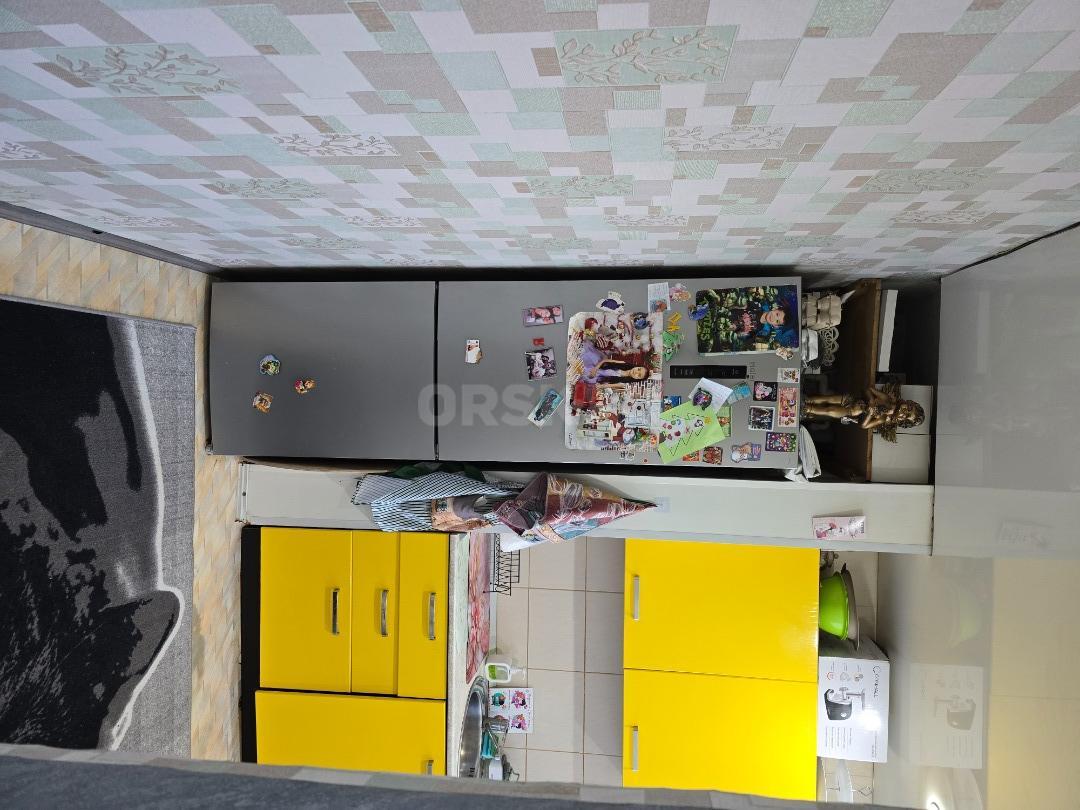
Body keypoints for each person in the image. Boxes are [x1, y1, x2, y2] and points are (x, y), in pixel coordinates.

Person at [804, 384, 925, 441]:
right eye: (909, 408)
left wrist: (870, 414)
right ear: (908, 402)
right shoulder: (887, 399)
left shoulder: (884, 418)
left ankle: (808, 409)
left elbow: (864, 425)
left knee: (829, 410)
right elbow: (868, 389)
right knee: (828, 398)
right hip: (852, 400)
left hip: (852, 411)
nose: (904, 412)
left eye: (907, 416)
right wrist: (871, 400)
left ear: (903, 421)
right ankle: (806, 400)